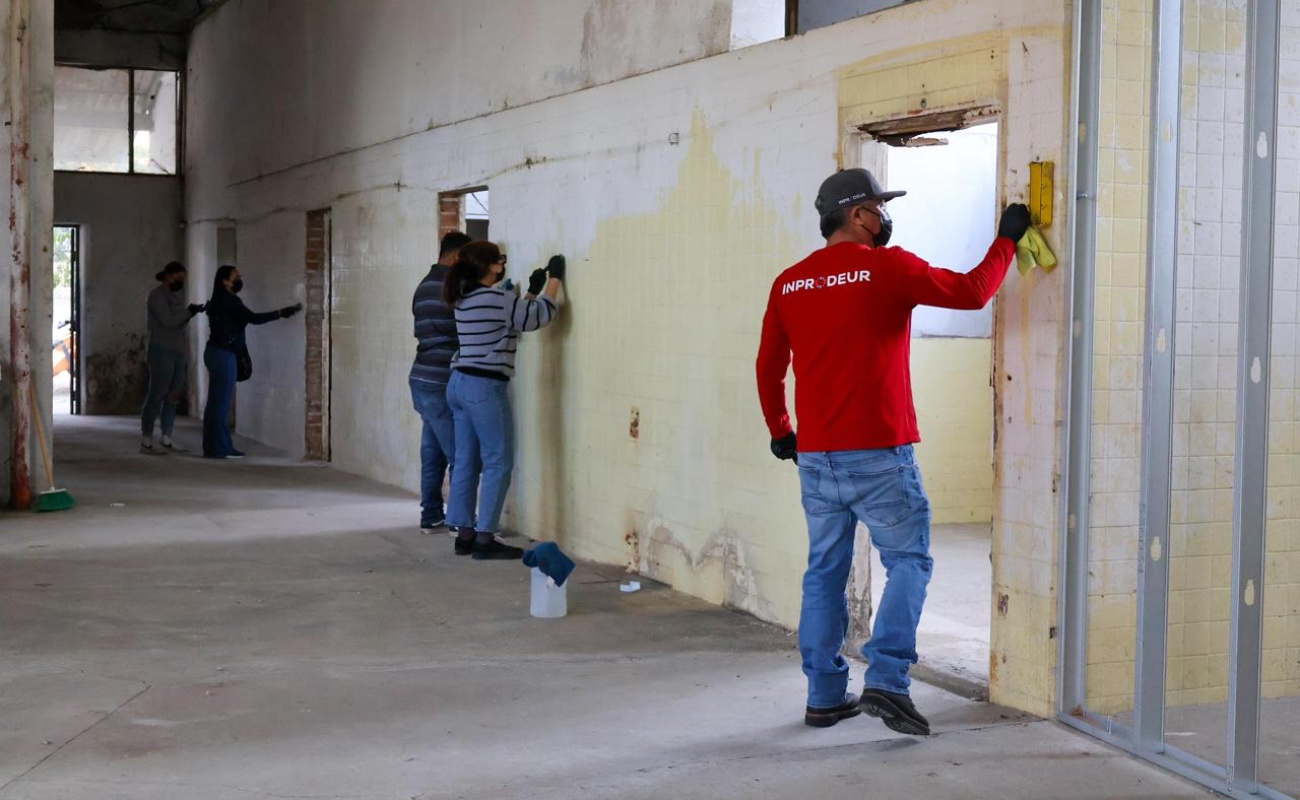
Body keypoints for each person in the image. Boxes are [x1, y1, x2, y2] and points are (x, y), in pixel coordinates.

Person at [755, 167, 1030, 735]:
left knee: (824, 572)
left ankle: (824, 696)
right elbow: (972, 292)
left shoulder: (789, 283)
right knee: (908, 561)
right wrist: (1007, 239)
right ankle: (886, 679)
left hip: (817, 458)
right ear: (858, 215)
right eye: (879, 208)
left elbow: (768, 367)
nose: (884, 217)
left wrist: (782, 430)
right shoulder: (888, 267)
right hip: (880, 454)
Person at [442, 242, 565, 559]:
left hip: (459, 383)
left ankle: (464, 534)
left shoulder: (463, 298)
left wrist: (531, 293)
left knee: (466, 460)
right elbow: (536, 319)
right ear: (492, 266)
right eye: (501, 260)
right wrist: (554, 281)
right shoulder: (497, 298)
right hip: (483, 387)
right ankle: (485, 538)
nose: (503, 264)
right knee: (498, 460)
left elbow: (509, 324)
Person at [202, 265, 302, 460]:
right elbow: (254, 318)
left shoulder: (218, 300)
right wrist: (281, 313)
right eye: (236, 276)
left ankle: (212, 447)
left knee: (214, 403)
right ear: (225, 281)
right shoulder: (230, 300)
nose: (239, 279)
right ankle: (222, 448)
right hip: (224, 354)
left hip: (214, 352)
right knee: (222, 404)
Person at [410, 231, 473, 532]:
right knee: (460, 454)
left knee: (432, 452)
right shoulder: (452, 286)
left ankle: (431, 513)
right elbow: (464, 329)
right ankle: (460, 522)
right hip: (441, 380)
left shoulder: (424, 285)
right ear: (457, 256)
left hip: (421, 377)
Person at [141, 261, 204, 455]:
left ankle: (166, 435)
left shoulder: (175, 297)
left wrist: (190, 314)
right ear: (169, 275)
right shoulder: (156, 296)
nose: (181, 281)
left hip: (178, 349)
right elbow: (168, 322)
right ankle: (146, 438)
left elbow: (179, 323)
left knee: (173, 394)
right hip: (161, 349)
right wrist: (188, 312)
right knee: (157, 392)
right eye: (180, 277)